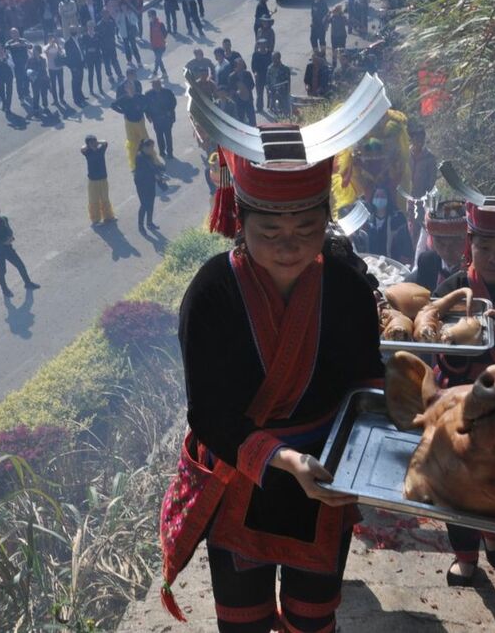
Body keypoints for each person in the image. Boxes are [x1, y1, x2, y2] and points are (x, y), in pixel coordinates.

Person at [160, 129, 384, 633]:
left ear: (328, 219)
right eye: (270, 232)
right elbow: (210, 416)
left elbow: (368, 382)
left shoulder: (348, 288)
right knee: (244, 622)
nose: (290, 246)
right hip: (243, 478)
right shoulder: (211, 293)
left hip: (324, 480)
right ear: (240, 222)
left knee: (314, 617)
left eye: (307, 228)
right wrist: (284, 459)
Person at [427, 199, 495, 586]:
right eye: (484, 247)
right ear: (469, 244)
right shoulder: (451, 289)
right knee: (454, 480)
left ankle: (492, 529)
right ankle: (466, 558)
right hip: (457, 400)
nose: (494, 257)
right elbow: (439, 352)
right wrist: (459, 343)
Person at [406, 199, 468, 293]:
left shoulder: (476, 268)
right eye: (440, 243)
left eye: (455, 243)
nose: (447, 250)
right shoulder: (427, 262)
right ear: (432, 240)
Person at [0, 201, 40, 298]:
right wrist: (4, 242)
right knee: (2, 271)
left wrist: (10, 237)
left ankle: (27, 283)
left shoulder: (4, 219)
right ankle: (5, 290)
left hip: (8, 248)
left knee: (20, 265)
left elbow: (9, 230)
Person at [360, 185, 413, 265]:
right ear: (373, 199)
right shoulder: (367, 219)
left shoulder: (398, 218)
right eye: (377, 196)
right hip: (371, 263)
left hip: (392, 263)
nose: (379, 199)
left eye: (383, 196)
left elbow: (405, 241)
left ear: (388, 199)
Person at [111, 67, 149, 168]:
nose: (135, 76)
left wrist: (141, 108)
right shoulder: (121, 87)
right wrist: (123, 110)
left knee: (143, 136)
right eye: (133, 75)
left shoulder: (138, 83)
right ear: (128, 75)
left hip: (139, 115)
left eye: (135, 74)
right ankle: (135, 159)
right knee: (132, 139)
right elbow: (117, 102)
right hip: (129, 116)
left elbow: (141, 97)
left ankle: (146, 156)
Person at [407, 123, 437, 248]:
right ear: (412, 139)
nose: (418, 141)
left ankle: (417, 250)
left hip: (421, 199)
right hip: (404, 196)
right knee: (405, 224)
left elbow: (432, 180)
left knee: (419, 225)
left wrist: (425, 195)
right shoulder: (406, 155)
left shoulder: (429, 158)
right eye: (416, 138)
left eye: (421, 138)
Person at [133, 138, 167, 232]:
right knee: (144, 205)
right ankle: (141, 225)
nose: (152, 149)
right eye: (151, 147)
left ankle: (149, 223)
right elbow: (147, 171)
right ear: (145, 147)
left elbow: (153, 167)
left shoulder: (148, 155)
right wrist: (158, 176)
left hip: (150, 183)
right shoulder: (140, 157)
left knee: (151, 203)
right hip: (142, 185)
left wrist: (160, 170)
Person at [81, 135, 115, 225]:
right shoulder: (87, 152)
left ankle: (108, 216)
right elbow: (82, 148)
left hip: (103, 179)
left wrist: (97, 142)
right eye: (92, 143)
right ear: (88, 144)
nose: (94, 144)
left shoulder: (101, 150)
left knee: (105, 198)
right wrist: (89, 146)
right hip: (93, 181)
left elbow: (105, 142)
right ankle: (95, 219)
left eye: (95, 142)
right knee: (94, 200)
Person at [144, 75, 176, 158]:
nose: (156, 86)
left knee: (168, 136)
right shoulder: (148, 94)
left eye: (157, 84)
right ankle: (162, 151)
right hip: (156, 119)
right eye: (154, 85)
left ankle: (170, 152)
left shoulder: (167, 92)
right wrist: (148, 116)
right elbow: (146, 107)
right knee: (159, 136)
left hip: (167, 118)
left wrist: (170, 111)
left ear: (160, 84)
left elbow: (173, 102)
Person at [4, 28, 32, 105]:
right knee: (19, 81)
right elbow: (6, 47)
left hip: (26, 63)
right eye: (13, 33)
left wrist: (23, 44)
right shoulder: (9, 42)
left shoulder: (23, 40)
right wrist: (14, 45)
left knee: (27, 79)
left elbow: (30, 46)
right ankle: (21, 97)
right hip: (17, 65)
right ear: (11, 34)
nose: (15, 34)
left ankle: (26, 93)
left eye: (16, 32)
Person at [114, 0, 142, 69]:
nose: (123, 7)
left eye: (124, 6)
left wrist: (129, 18)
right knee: (127, 48)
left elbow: (136, 20)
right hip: (124, 33)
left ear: (126, 6)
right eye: (122, 6)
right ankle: (129, 61)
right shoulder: (120, 14)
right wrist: (119, 25)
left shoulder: (130, 12)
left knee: (134, 47)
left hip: (131, 33)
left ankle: (139, 62)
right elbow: (117, 23)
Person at [96, 8, 122, 82]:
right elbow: (98, 37)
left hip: (112, 45)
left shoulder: (111, 22)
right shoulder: (99, 25)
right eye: (104, 14)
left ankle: (119, 74)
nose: (106, 15)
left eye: (107, 13)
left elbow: (114, 32)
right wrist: (100, 47)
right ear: (102, 15)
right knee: (107, 62)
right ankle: (110, 75)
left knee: (115, 60)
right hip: (104, 47)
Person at [227, 58, 255, 126]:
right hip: (238, 100)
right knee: (240, 117)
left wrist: (245, 88)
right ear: (236, 66)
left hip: (248, 98)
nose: (241, 66)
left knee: (251, 117)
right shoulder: (232, 77)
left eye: (242, 64)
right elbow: (230, 89)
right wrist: (237, 92)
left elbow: (252, 85)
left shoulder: (247, 74)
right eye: (239, 65)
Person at [64, 26, 87, 106]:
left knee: (80, 80)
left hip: (81, 63)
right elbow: (69, 57)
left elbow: (82, 51)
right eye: (72, 30)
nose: (74, 31)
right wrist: (72, 67)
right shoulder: (68, 43)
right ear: (70, 32)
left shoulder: (79, 39)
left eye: (75, 29)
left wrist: (84, 62)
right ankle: (76, 99)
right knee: (75, 82)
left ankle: (81, 96)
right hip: (74, 66)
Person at [80, 19, 104, 96]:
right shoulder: (84, 36)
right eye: (89, 27)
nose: (90, 28)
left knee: (99, 73)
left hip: (97, 57)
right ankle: (91, 90)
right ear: (87, 27)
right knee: (91, 74)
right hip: (89, 58)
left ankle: (100, 88)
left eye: (92, 26)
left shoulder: (97, 35)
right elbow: (82, 48)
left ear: (94, 27)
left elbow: (101, 46)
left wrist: (101, 57)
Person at [26, 45, 50, 114]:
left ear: (39, 51)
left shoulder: (43, 60)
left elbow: (44, 71)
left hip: (43, 80)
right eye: (33, 50)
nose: (34, 52)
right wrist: (31, 77)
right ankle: (36, 108)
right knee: (36, 95)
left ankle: (45, 107)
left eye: (36, 50)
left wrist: (48, 81)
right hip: (35, 81)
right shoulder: (30, 60)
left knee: (44, 94)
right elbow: (27, 69)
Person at [250, 39, 271, 114]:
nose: (262, 46)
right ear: (258, 46)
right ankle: (259, 107)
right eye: (260, 45)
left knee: (270, 92)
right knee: (259, 93)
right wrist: (255, 72)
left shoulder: (269, 54)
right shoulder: (255, 55)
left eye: (264, 44)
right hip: (259, 76)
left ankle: (270, 106)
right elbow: (253, 65)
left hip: (268, 75)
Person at [265, 51, 290, 116]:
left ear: (279, 58)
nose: (273, 60)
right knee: (273, 109)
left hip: (282, 91)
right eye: (272, 58)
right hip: (273, 91)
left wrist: (287, 92)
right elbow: (267, 80)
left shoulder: (285, 69)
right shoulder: (269, 68)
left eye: (275, 58)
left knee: (285, 109)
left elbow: (287, 82)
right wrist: (268, 89)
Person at [0, 43, 15, 112]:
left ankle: (8, 106)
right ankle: (4, 103)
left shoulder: (8, 55)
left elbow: (12, 65)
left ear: (3, 49)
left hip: (8, 74)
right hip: (0, 75)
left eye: (0, 48)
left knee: (9, 91)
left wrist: (6, 60)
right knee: (1, 91)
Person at [146, 10, 169, 80]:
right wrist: (151, 43)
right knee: (159, 60)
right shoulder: (151, 24)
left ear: (154, 15)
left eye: (150, 16)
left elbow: (165, 33)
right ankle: (164, 73)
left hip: (161, 45)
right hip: (154, 45)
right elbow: (151, 34)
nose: (150, 17)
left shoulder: (160, 24)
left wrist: (161, 39)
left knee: (157, 60)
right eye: (149, 16)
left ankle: (154, 73)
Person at [45, 36, 66, 106]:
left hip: (59, 68)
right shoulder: (46, 46)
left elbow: (62, 53)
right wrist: (50, 45)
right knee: (53, 85)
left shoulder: (58, 46)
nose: (52, 40)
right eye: (50, 39)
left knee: (61, 84)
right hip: (51, 68)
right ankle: (55, 100)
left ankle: (62, 98)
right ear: (48, 40)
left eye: (53, 39)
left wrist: (57, 45)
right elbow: (46, 52)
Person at [327, 5, 347, 70]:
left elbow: (348, 23)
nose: (334, 12)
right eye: (334, 11)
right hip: (334, 36)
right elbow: (325, 21)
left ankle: (344, 66)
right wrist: (328, 14)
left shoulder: (343, 17)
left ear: (339, 11)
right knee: (334, 51)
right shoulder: (333, 17)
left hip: (341, 36)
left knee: (342, 52)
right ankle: (334, 64)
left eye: (335, 11)